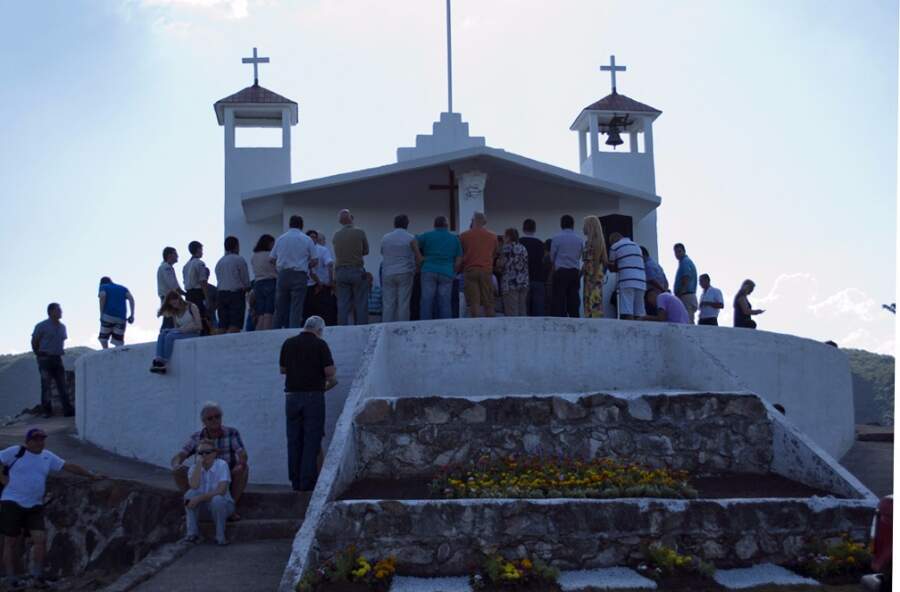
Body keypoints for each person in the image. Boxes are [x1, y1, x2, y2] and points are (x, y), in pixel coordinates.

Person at [1, 428, 102, 587]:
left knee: (40, 540)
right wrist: (3, 479)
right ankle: (10, 578)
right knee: (10, 542)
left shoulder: (47, 456)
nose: (40, 442)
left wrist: (90, 475)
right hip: (12, 502)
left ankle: (37, 576)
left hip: (35, 505)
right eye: (36, 439)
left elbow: (68, 466)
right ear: (28, 441)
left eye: (42, 439)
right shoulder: (16, 451)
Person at [279, 316, 336, 491]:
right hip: (313, 396)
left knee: (294, 439)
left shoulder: (288, 343)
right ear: (319, 330)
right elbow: (329, 372)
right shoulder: (320, 344)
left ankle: (295, 481)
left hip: (291, 397)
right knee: (312, 439)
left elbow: (283, 370)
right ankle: (307, 481)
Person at [171, 402, 248, 518]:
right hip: (203, 477)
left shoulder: (232, 433)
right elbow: (181, 454)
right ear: (204, 422)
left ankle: (230, 509)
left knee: (243, 469)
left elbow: (242, 453)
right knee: (178, 471)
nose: (214, 420)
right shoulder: (197, 437)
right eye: (210, 418)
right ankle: (192, 507)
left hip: (226, 477)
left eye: (217, 416)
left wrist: (241, 463)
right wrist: (177, 464)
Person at [182, 439, 234, 546]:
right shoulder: (194, 468)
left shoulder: (222, 465)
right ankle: (191, 534)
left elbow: (221, 490)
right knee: (189, 495)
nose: (204, 455)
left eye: (207, 452)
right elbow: (194, 486)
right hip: (204, 509)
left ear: (215, 453)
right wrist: (198, 466)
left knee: (217, 499)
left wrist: (199, 498)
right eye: (200, 453)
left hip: (224, 507)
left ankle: (220, 537)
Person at [271, 215, 318, 329]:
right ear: (301, 225)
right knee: (296, 307)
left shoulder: (281, 239)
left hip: (283, 274)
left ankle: (275, 330)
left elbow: (271, 259)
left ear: (289, 224)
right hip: (299, 275)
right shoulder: (307, 239)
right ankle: (293, 331)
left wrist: (279, 268)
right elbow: (315, 260)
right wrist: (306, 264)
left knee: (279, 307)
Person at [31, 304, 74, 417]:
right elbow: (34, 341)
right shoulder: (41, 326)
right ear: (51, 312)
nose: (61, 312)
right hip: (45, 358)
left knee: (62, 385)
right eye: (58, 310)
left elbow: (62, 340)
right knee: (46, 386)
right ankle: (47, 411)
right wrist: (38, 354)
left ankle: (68, 410)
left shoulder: (62, 327)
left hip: (57, 358)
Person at [416, 216, 462, 320]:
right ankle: (445, 326)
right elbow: (459, 259)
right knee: (445, 302)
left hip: (429, 269)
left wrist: (419, 256)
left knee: (426, 300)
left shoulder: (427, 235)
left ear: (434, 225)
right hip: (447, 272)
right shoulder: (454, 238)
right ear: (447, 226)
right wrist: (454, 271)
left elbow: (413, 242)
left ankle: (424, 325)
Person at [380, 215, 421, 322]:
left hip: (388, 272)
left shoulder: (385, 237)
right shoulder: (411, 238)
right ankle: (402, 326)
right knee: (404, 303)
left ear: (394, 224)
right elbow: (418, 256)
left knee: (388, 303)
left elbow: (382, 252)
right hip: (405, 272)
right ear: (407, 224)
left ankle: (387, 325)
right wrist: (417, 269)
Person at [333, 209, 370, 325]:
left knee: (343, 303)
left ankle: (342, 328)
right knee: (361, 302)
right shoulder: (360, 232)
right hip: (356, 270)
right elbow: (366, 251)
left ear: (340, 221)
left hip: (340, 272)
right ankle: (362, 327)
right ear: (352, 218)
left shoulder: (336, 235)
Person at [151, 291, 202, 373]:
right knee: (163, 334)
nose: (174, 304)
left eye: (175, 301)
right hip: (182, 333)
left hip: (194, 333)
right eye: (172, 303)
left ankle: (164, 361)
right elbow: (177, 328)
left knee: (170, 336)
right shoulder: (175, 312)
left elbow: (199, 325)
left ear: (179, 299)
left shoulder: (191, 307)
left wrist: (183, 329)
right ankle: (158, 359)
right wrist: (173, 330)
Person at [459, 212, 498, 318]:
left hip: (470, 270)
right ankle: (491, 324)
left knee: (473, 301)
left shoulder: (464, 236)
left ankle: (475, 323)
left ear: (474, 221)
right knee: (488, 301)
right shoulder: (493, 237)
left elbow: (461, 254)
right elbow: (494, 254)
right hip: (486, 270)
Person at [214, 236, 251, 333]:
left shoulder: (219, 262)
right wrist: (248, 288)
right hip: (235, 294)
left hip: (221, 294)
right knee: (235, 324)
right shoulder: (239, 259)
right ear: (236, 246)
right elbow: (245, 279)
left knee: (222, 324)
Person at [550, 215, 583, 317]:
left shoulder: (556, 238)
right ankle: (574, 317)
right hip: (574, 272)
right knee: (573, 297)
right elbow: (580, 255)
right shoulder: (579, 239)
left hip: (561, 271)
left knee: (559, 298)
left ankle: (560, 319)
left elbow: (552, 257)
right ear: (573, 225)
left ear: (561, 224)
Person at [607, 232, 646, 320]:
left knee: (627, 310)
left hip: (627, 281)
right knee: (639, 311)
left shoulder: (615, 246)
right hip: (641, 281)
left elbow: (612, 267)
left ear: (613, 240)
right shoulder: (636, 246)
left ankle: (630, 333)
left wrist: (607, 264)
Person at [497, 229, 529, 316]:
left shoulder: (506, 247)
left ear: (509, 237)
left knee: (512, 311)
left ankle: (514, 329)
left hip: (510, 283)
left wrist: (498, 263)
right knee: (522, 309)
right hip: (524, 282)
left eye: (505, 235)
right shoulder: (523, 247)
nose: (503, 237)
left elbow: (501, 264)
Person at [97, 277, 135, 349]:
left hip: (108, 316)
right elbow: (131, 298)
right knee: (118, 341)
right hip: (121, 318)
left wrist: (101, 314)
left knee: (103, 338)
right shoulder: (123, 288)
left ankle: (106, 352)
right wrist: (132, 315)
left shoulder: (103, 287)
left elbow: (102, 296)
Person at [519, 219, 547, 316]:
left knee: (524, 309)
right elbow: (543, 260)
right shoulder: (540, 244)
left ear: (523, 228)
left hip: (522, 279)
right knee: (539, 309)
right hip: (538, 278)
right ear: (535, 229)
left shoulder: (519, 242)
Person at [581, 216, 608, 318]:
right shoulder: (588, 242)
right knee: (589, 298)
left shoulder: (596, 240)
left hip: (593, 273)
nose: (583, 228)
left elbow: (597, 260)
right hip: (589, 273)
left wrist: (594, 276)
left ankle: (593, 318)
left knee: (593, 298)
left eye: (585, 225)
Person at [250, 234, 277, 331]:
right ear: (269, 244)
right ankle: (266, 333)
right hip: (270, 282)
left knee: (261, 312)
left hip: (257, 284)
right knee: (269, 311)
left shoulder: (254, 256)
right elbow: (277, 268)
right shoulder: (271, 255)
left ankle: (258, 333)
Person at [183, 241, 211, 329]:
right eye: (201, 249)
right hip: (198, 294)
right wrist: (207, 298)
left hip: (188, 295)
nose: (202, 252)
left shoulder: (185, 266)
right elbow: (203, 281)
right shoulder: (200, 263)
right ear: (198, 249)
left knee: (192, 318)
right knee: (202, 317)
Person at [313, 232, 337, 325]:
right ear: (321, 240)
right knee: (327, 312)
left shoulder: (310, 250)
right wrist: (331, 282)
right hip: (324, 285)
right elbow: (330, 265)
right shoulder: (324, 250)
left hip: (312, 285)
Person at [157, 246, 183, 330]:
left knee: (170, 320)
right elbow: (172, 285)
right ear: (169, 255)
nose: (177, 256)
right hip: (169, 298)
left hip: (169, 298)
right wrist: (184, 294)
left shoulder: (167, 267)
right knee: (169, 321)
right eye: (175, 254)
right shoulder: (166, 267)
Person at [673, 243, 698, 324]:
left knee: (687, 321)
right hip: (687, 295)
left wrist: (680, 293)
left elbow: (686, 278)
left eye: (679, 251)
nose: (677, 254)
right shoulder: (684, 262)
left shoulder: (685, 262)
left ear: (684, 251)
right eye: (676, 252)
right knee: (688, 319)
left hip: (686, 295)